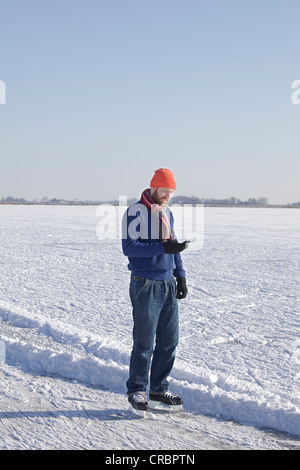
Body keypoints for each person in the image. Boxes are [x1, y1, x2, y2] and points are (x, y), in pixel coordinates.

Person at [122, 168, 189, 412]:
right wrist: (162, 249)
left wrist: (180, 276)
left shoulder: (167, 213)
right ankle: (137, 391)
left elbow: (173, 245)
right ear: (153, 187)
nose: (167, 196)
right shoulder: (135, 212)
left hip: (167, 284)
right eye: (164, 190)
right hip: (145, 284)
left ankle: (159, 389)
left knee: (169, 341)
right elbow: (130, 248)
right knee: (144, 343)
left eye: (171, 192)